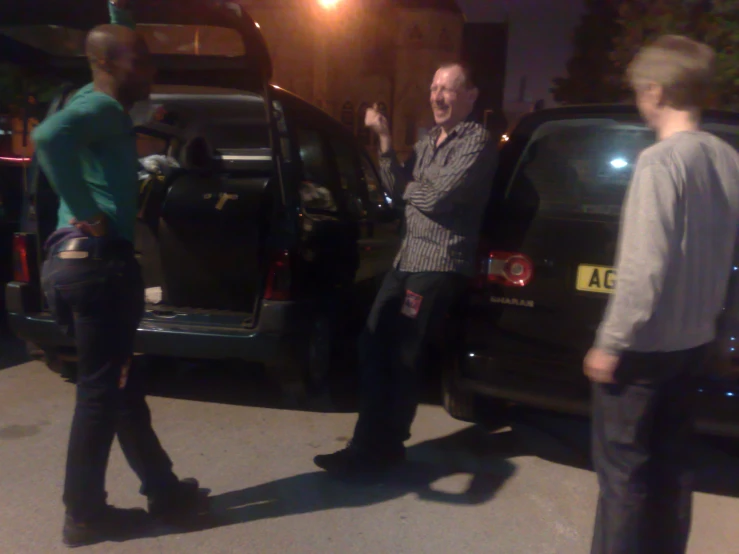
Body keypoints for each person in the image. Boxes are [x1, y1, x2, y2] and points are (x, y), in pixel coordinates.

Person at [33, 0, 204, 547]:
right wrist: (87, 208)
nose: (152, 72)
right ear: (111, 65)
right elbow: (47, 139)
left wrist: (119, 11)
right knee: (102, 395)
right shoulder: (103, 109)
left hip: (70, 265)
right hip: (97, 267)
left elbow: (115, 37)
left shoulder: (95, 92)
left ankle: (165, 489)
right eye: (143, 62)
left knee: (118, 389)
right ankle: (83, 515)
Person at [583, 35, 739, 554]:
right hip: (692, 346)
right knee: (673, 472)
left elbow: (643, 270)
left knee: (624, 479)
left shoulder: (660, 162)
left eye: (638, 91)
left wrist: (610, 340)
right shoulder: (726, 160)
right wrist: (722, 330)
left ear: (655, 91)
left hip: (643, 355)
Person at [314, 62, 498, 476]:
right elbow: (397, 192)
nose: (438, 96)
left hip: (438, 264)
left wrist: (412, 189)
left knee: (401, 355)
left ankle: (378, 449)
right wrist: (382, 139)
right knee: (373, 343)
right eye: (434, 87)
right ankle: (373, 443)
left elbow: (436, 198)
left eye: (449, 89)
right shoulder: (428, 140)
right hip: (407, 259)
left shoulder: (477, 142)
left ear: (470, 96)